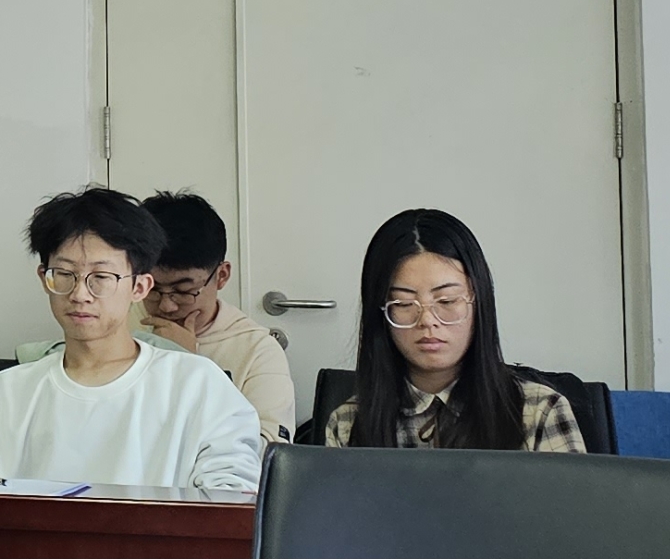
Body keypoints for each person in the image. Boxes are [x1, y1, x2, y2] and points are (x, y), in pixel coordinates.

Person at [0, 187, 262, 490]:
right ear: (44, 278)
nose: (80, 294)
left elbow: (231, 500)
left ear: (139, 287)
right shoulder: (10, 392)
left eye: (101, 277)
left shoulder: (197, 385)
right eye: (64, 274)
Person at [325, 208, 585, 452]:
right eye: (403, 303)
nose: (427, 320)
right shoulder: (348, 424)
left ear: (478, 301)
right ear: (380, 312)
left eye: (447, 301)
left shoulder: (539, 412)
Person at [139, 191, 297, 445]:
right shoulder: (116, 327)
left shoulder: (257, 350)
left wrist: (190, 366)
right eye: (152, 289)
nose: (166, 306)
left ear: (221, 276)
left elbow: (269, 453)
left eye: (184, 290)